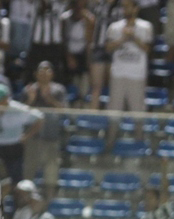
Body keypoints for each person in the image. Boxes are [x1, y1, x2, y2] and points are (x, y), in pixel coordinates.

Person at [105, 0, 153, 140]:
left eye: (128, 6)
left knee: (138, 112)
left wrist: (134, 38)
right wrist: (123, 38)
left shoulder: (146, 26)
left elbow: (148, 49)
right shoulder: (115, 27)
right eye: (123, 7)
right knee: (114, 111)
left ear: (136, 8)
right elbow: (108, 48)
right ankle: (110, 142)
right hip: (118, 74)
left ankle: (139, 142)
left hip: (137, 75)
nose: (125, 9)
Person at [0, 83, 44, 182]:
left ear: (6, 99)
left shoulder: (18, 109)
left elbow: (39, 118)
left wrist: (26, 136)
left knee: (15, 179)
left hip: (14, 148)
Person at [22, 61, 68, 188]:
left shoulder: (58, 90)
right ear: (35, 74)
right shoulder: (29, 89)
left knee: (51, 174)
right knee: (29, 172)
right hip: (33, 138)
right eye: (41, 71)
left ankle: (49, 201)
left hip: (51, 138)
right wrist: (30, 99)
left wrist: (50, 99)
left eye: (48, 71)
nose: (44, 74)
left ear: (52, 74)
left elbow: (64, 110)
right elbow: (21, 113)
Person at [89, 0, 123, 110]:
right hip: (99, 47)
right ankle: (93, 114)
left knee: (113, 86)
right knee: (96, 86)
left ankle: (111, 113)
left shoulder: (122, 6)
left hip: (116, 49)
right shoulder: (98, 4)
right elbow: (91, 24)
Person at [62, 0, 94, 92]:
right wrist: (69, 57)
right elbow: (63, 39)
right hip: (68, 54)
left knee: (84, 82)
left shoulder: (89, 18)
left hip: (83, 54)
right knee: (70, 82)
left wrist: (87, 21)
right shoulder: (65, 18)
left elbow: (89, 39)